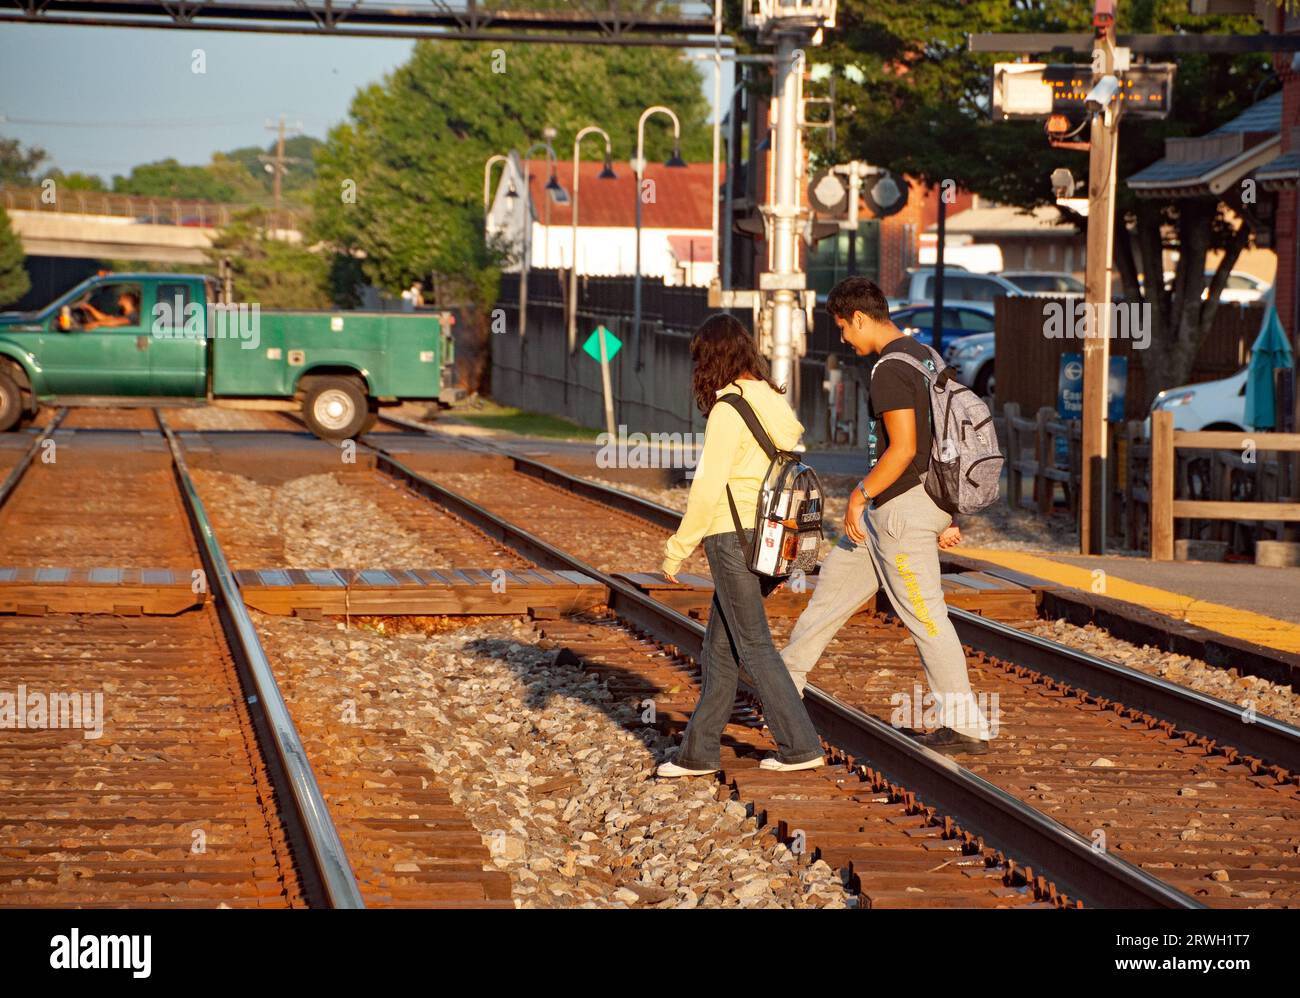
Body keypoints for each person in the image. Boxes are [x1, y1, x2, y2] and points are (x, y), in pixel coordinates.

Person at [781, 276, 992, 754]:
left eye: (842, 327)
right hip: (896, 511)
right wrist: (948, 509)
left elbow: (905, 449)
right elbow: (948, 444)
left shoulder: (889, 370)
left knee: (925, 616)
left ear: (859, 317)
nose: (843, 338)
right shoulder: (926, 357)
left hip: (900, 512)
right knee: (828, 599)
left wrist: (859, 494)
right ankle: (781, 690)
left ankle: (967, 725)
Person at [656, 313, 825, 778]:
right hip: (772, 540)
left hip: (733, 536)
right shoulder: (771, 400)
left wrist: (677, 548)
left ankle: (800, 744)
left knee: (753, 646)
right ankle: (699, 752)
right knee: (720, 650)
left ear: (711, 359)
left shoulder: (730, 409)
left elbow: (708, 487)